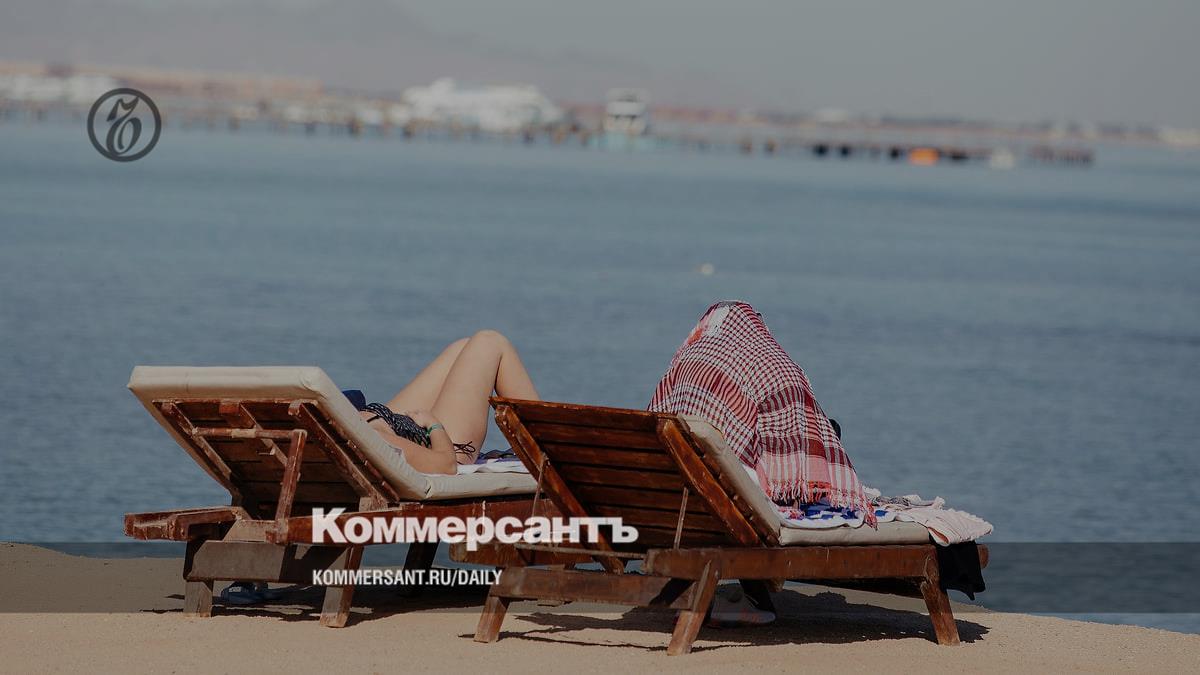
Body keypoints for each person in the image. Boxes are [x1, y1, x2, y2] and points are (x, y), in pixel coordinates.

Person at [648, 300, 873, 522]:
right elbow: (798, 439)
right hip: (732, 502)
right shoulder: (775, 370)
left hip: (668, 489)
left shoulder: (683, 363)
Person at [357, 329, 539, 474]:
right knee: (490, 342)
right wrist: (434, 426)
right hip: (448, 445)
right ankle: (543, 448)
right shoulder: (373, 441)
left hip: (380, 420)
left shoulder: (352, 431)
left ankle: (543, 442)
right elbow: (446, 465)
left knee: (463, 348)